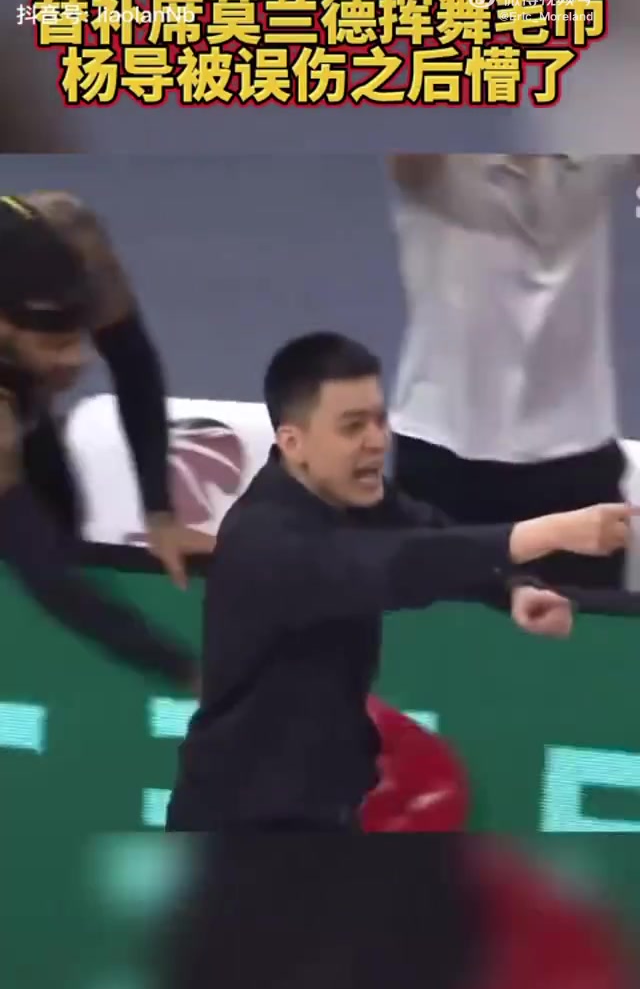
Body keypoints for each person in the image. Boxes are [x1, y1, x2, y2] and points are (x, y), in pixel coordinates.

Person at [166, 332, 635, 832]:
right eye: (352, 426)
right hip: (239, 828)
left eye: (379, 419)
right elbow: (401, 564)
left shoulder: (354, 496)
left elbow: (430, 532)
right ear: (293, 443)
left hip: (327, 813)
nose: (377, 440)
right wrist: (554, 533)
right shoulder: (266, 540)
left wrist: (512, 588)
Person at [388, 153, 636, 590]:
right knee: (434, 633)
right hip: (444, 464)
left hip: (576, 464)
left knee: (586, 634)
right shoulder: (436, 164)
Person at [0, 196, 197, 686]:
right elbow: (50, 574)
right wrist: (187, 669)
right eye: (55, 344)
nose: (78, 359)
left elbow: (133, 363)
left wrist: (159, 510)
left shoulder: (74, 235)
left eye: (77, 336)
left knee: (60, 510)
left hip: (17, 381)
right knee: (30, 547)